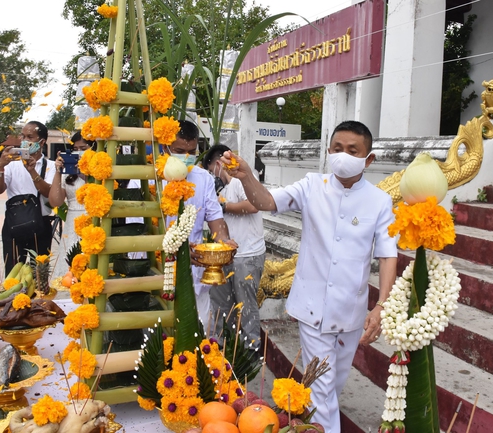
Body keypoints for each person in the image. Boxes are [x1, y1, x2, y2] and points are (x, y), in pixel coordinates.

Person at [221, 121, 398, 433]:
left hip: (350, 313)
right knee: (321, 393)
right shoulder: (311, 185)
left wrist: (381, 305)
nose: (343, 155)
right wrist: (246, 175)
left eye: (353, 151)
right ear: (328, 152)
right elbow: (266, 202)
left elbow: (387, 255)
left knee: (331, 388)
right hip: (312, 308)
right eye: (337, 148)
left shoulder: (379, 202)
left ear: (368, 160)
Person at [165, 120, 234, 326]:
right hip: (159, 273)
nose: (186, 157)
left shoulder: (203, 178)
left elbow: (216, 220)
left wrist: (224, 244)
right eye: (179, 151)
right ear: (165, 148)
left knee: (199, 339)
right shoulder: (149, 177)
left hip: (194, 277)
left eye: (192, 152)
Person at [203, 144, 265, 349]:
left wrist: (223, 206)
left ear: (219, 163)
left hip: (247, 254)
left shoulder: (242, 179)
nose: (215, 175)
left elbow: (254, 205)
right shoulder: (224, 188)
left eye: (213, 170)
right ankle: (222, 347)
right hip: (226, 255)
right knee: (221, 304)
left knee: (246, 306)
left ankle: (251, 350)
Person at [0, 121, 56, 275]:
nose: (25, 140)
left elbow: (49, 192)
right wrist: (0, 167)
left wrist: (32, 171)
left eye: (30, 137)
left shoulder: (51, 165)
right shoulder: (12, 164)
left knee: (40, 275)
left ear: (41, 142)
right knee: (13, 274)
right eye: (23, 136)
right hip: (14, 226)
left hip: (41, 225)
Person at [49, 131, 94, 278]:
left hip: (94, 221)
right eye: (76, 149)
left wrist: (86, 173)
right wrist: (58, 171)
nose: (79, 153)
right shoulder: (67, 172)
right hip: (72, 222)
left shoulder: (101, 169)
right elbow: (56, 201)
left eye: (84, 148)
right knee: (70, 270)